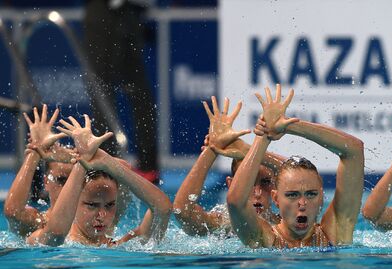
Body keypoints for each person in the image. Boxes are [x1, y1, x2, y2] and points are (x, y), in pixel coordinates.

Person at [227, 85, 364, 248]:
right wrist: (263, 136)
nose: (302, 203)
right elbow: (236, 202)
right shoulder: (265, 239)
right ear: (276, 198)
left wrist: (289, 126)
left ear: (321, 197)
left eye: (311, 194)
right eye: (292, 195)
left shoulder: (334, 233)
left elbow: (354, 150)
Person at [27, 115, 171, 247]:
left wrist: (106, 161)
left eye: (109, 205)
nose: (102, 215)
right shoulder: (48, 238)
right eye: (92, 205)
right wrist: (80, 161)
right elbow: (56, 234)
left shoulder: (120, 246)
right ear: (73, 200)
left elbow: (163, 209)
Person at [173, 96, 283, 236]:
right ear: (231, 184)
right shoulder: (223, 224)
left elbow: (304, 176)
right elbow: (182, 211)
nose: (257, 193)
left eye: (266, 182)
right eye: (247, 182)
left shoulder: (285, 226)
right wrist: (212, 149)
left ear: (276, 187)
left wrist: (248, 150)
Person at [83, 0, 159, 183]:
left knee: (117, 92)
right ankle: (110, 164)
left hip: (125, 15)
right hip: (112, 14)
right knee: (105, 92)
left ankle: (121, 166)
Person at [4, 105, 68, 237]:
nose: (69, 187)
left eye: (75, 179)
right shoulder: (39, 222)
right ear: (46, 182)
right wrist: (36, 150)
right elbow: (13, 212)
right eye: (62, 180)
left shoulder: (97, 222)